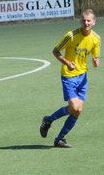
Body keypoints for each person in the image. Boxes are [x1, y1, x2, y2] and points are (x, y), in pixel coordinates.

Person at [39, 9, 100, 148]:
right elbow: (55, 51)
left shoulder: (96, 39)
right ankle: (48, 120)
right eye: (84, 20)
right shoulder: (71, 35)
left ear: (94, 22)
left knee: (77, 110)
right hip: (69, 76)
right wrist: (67, 63)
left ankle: (59, 138)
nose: (86, 23)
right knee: (73, 107)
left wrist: (96, 62)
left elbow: (95, 58)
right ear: (80, 21)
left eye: (89, 20)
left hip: (82, 77)